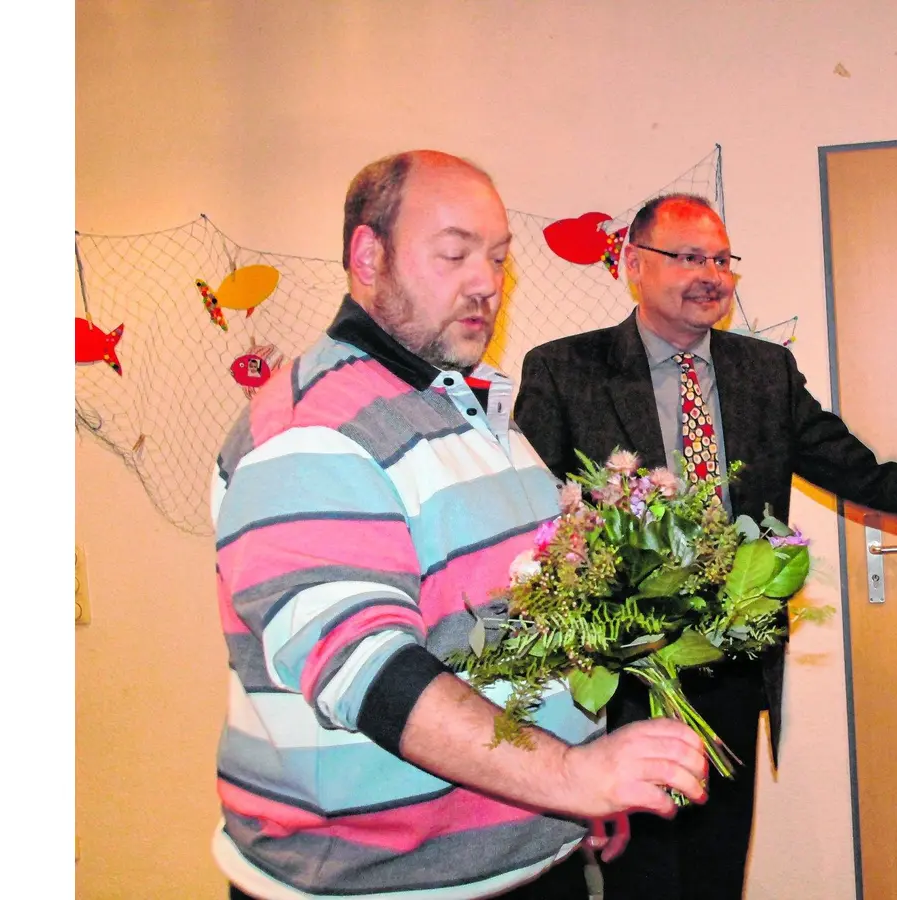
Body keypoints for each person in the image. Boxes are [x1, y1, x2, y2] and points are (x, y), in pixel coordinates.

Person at [209, 151, 710, 900]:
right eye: (455, 253)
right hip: (378, 887)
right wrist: (568, 773)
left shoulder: (468, 408)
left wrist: (567, 790)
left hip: (525, 856)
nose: (488, 283)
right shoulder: (311, 429)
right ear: (367, 256)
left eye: (500, 258)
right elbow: (366, 667)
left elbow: (528, 618)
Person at [513, 193, 897, 899]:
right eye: (689, 257)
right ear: (634, 264)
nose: (712, 275)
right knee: (640, 881)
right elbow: (528, 522)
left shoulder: (765, 371)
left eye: (722, 259)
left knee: (716, 873)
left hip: (731, 668)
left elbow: (858, 472)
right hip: (622, 678)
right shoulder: (564, 370)